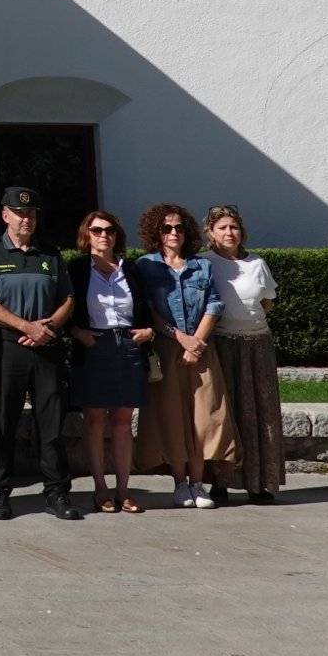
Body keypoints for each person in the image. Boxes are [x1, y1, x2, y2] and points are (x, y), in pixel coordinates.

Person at [0, 186, 82, 522]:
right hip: (8, 347)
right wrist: (26, 327)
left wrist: (46, 329)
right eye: (20, 213)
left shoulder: (50, 255)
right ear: (5, 215)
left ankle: (56, 492)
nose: (26, 219)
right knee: (3, 421)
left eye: (32, 214)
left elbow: (67, 299)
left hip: (46, 347)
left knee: (51, 423)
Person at [134, 203, 238, 509]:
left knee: (204, 416)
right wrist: (180, 338)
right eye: (167, 228)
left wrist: (197, 342)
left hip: (201, 349)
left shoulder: (201, 266)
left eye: (179, 227)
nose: (173, 233)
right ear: (157, 233)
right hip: (167, 349)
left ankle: (198, 483)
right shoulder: (146, 266)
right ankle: (180, 484)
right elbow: (148, 310)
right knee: (172, 416)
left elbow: (214, 304)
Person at [68, 212, 151, 514]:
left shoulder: (131, 269)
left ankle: (124, 490)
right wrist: (77, 332)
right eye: (97, 230)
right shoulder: (76, 269)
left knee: (122, 421)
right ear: (86, 234)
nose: (104, 235)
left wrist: (149, 330)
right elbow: (64, 308)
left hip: (128, 346)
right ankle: (100, 488)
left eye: (110, 230)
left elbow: (147, 306)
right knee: (94, 420)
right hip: (94, 346)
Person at [205, 204, 286, 504]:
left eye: (234, 227)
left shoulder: (257, 263)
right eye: (222, 228)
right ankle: (220, 482)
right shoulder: (205, 263)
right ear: (211, 233)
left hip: (257, 344)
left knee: (261, 413)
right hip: (223, 344)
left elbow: (267, 302)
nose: (229, 233)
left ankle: (259, 482)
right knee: (226, 414)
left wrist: (248, 323)